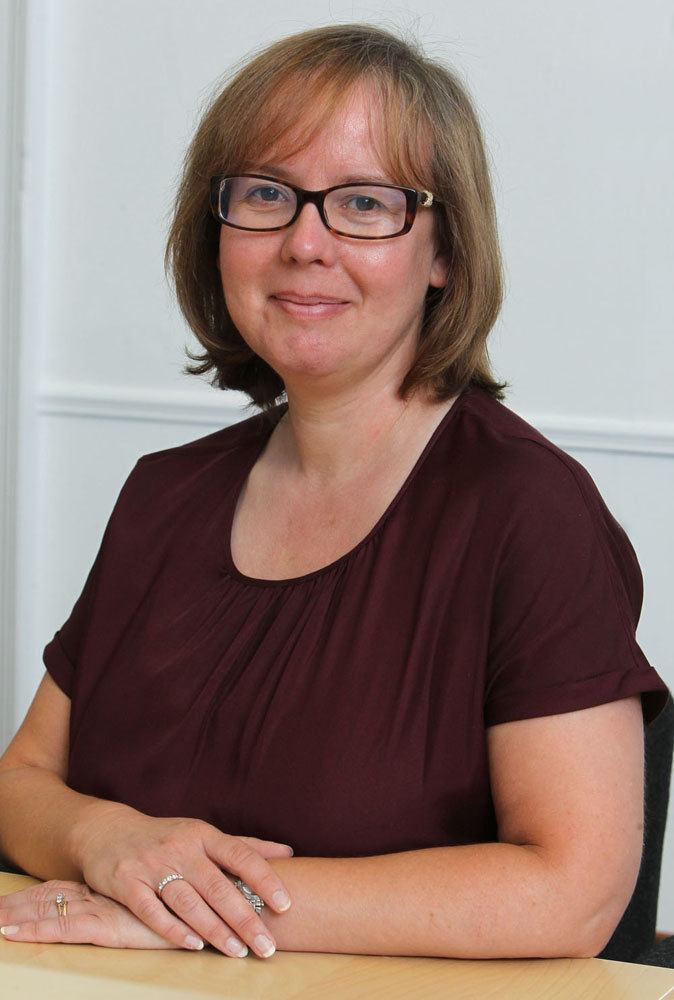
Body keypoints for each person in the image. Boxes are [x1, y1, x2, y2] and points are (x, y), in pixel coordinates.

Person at [0, 23, 667, 961]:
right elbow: (22, 779)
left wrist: (197, 910)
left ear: (445, 252)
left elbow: (573, 892)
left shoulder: (528, 511)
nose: (305, 243)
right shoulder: (162, 496)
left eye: (363, 203)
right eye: (266, 195)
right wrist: (103, 838)